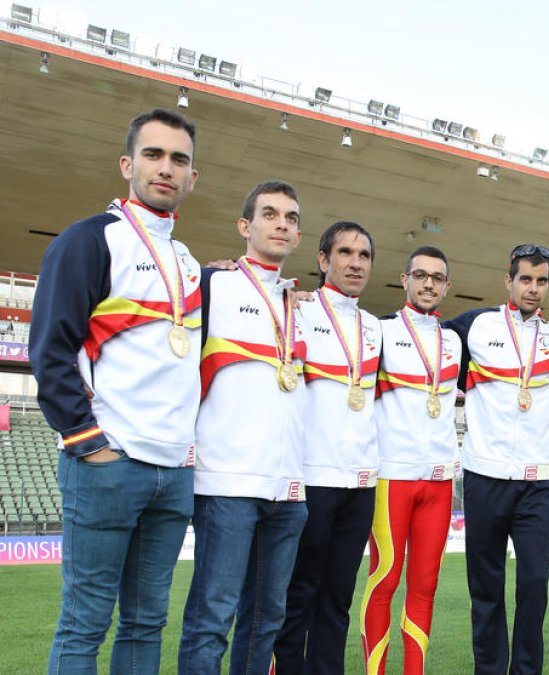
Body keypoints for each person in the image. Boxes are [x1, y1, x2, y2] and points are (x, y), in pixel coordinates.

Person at [31, 108, 202, 673]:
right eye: (153, 155)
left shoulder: (189, 264)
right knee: (85, 624)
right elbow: (49, 348)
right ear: (128, 164)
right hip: (110, 462)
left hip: (173, 471)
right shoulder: (91, 240)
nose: (166, 168)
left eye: (179, 159)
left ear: (192, 178)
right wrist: (88, 442)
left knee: (146, 623)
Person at [178, 180, 309, 674]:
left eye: (291, 218)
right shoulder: (213, 285)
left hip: (287, 491)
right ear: (245, 226)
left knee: (266, 621)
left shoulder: (301, 304)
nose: (281, 224)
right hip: (226, 482)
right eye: (270, 214)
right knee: (211, 618)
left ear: (298, 236)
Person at [444, 244, 549, 675]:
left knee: (534, 585)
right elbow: (419, 333)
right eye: (525, 279)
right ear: (509, 280)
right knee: (487, 588)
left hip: (536, 484)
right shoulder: (475, 326)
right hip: (484, 479)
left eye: (541, 281)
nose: (533, 289)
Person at [275, 222, 383, 673]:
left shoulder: (376, 326)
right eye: (345, 252)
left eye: (363, 255)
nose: (355, 262)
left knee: (337, 599)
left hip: (360, 484)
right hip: (311, 480)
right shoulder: (295, 312)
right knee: (298, 596)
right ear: (323, 260)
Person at [361, 245, 463, 674]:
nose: (428, 284)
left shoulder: (456, 340)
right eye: (420, 275)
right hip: (392, 479)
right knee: (383, 581)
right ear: (404, 280)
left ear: (446, 287)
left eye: (436, 278)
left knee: (424, 588)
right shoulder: (379, 330)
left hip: (440, 483)